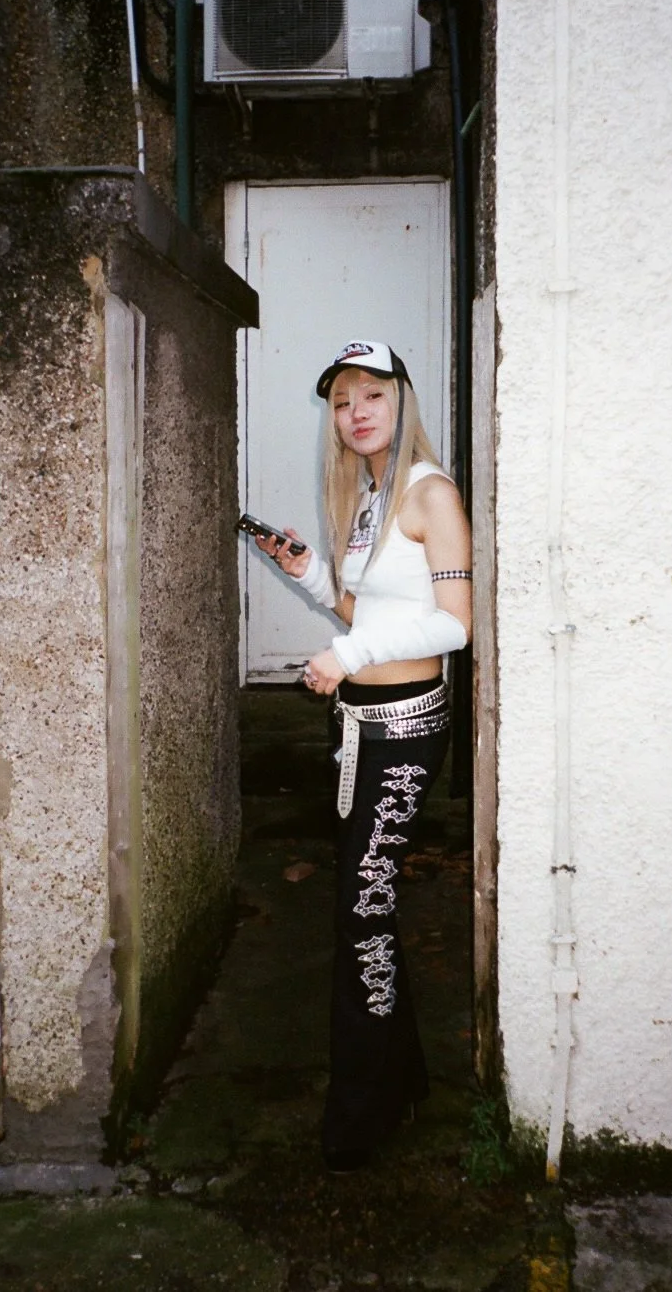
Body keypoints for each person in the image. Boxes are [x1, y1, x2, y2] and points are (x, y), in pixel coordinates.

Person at [254, 339, 472, 1173]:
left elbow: (454, 624)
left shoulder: (430, 493)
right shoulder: (373, 496)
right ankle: (402, 1080)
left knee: (362, 910)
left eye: (372, 395)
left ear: (401, 399)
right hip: (360, 729)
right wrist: (310, 573)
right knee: (363, 906)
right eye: (343, 402)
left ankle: (362, 1113)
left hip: (406, 731)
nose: (356, 414)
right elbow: (366, 611)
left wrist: (346, 657)